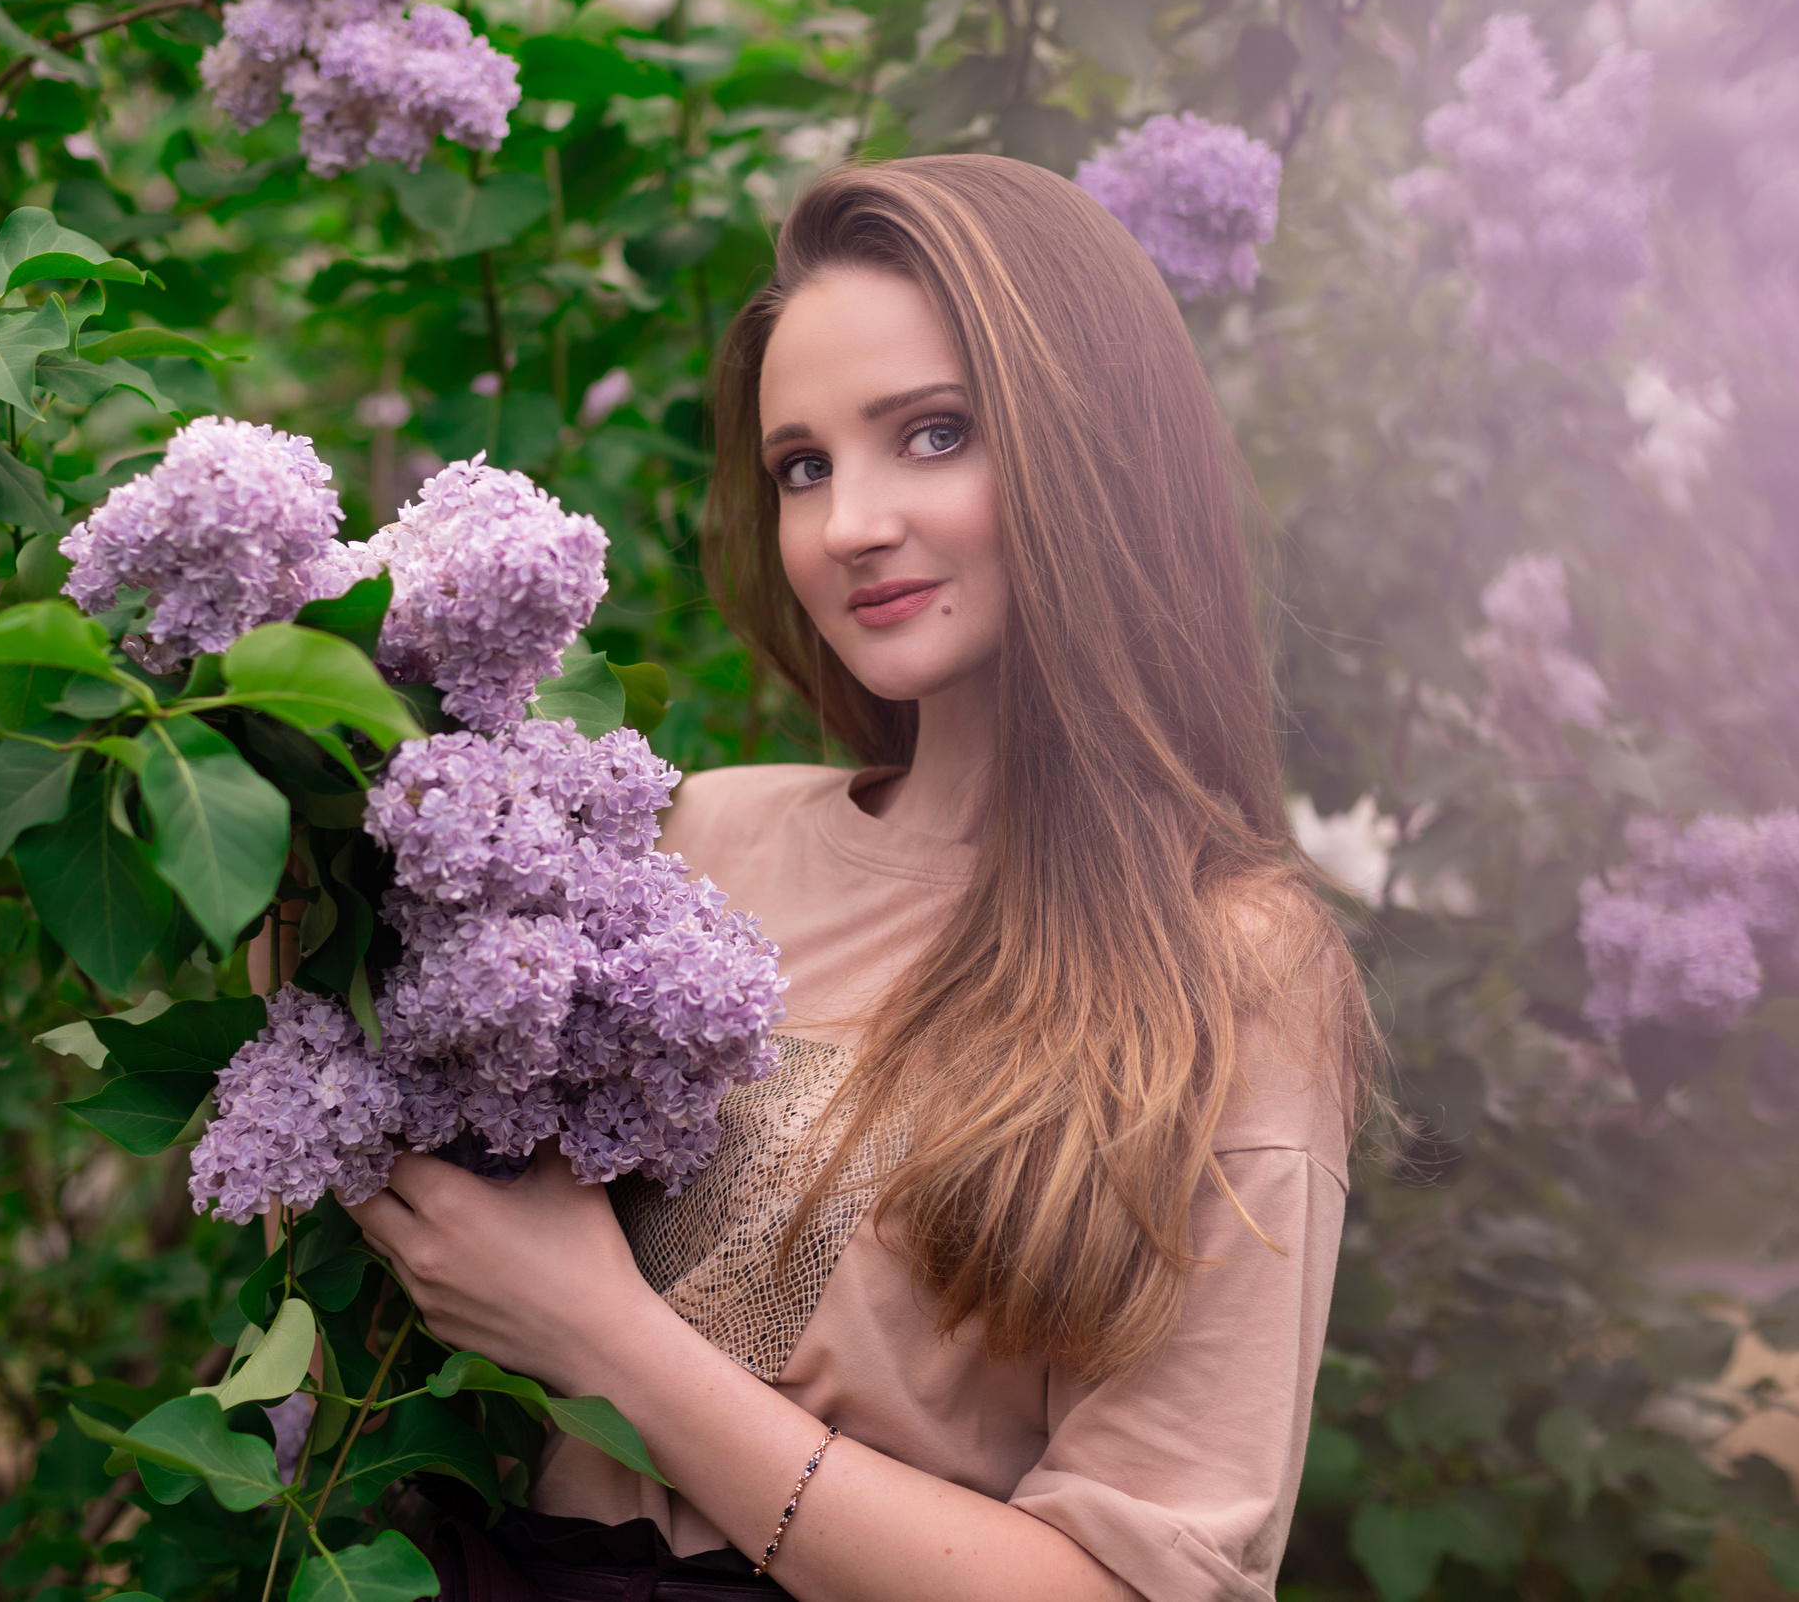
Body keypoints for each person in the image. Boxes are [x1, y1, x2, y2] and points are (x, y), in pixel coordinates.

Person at [348, 154, 1375, 1602]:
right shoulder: (701, 837)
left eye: (935, 434)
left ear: (1094, 446)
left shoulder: (1230, 963)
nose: (848, 525)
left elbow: (1138, 1583)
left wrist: (605, 1340)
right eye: (803, 466)